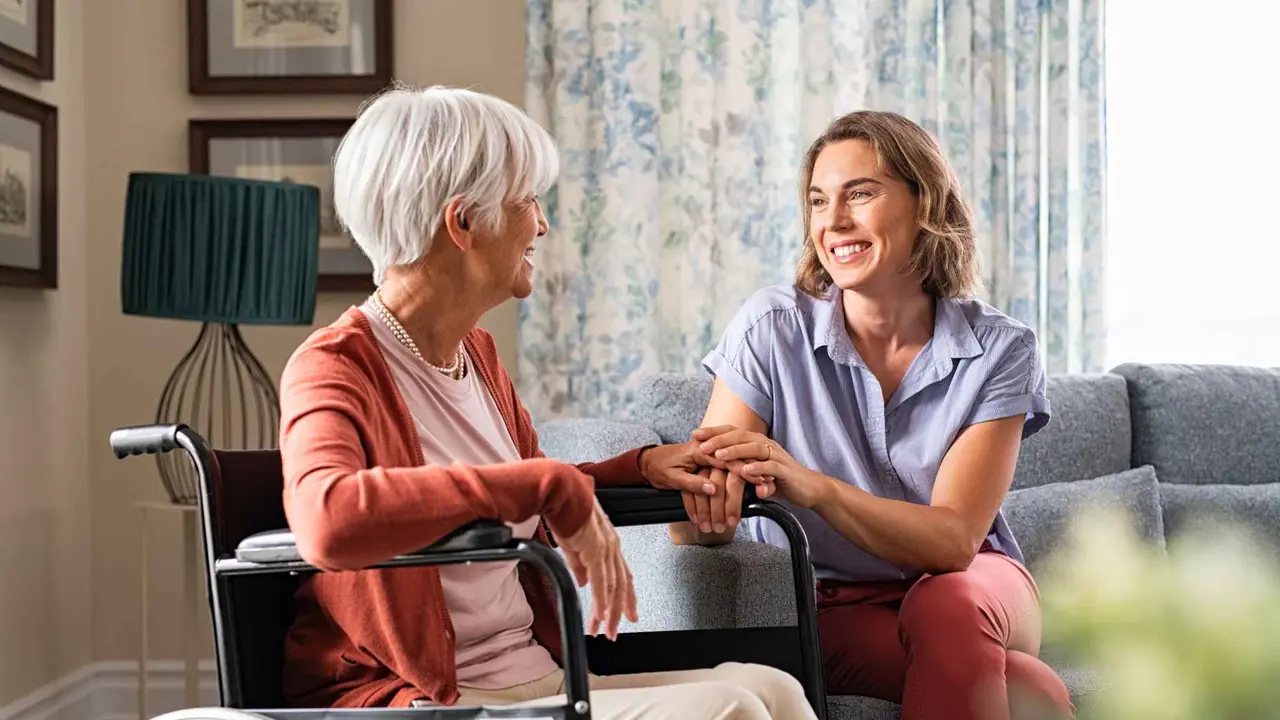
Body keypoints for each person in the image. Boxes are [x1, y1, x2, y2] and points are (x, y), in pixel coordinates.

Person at [276, 84, 817, 720]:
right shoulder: (336, 366)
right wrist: (543, 484)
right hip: (421, 696)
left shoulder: (473, 356)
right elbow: (327, 521)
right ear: (464, 223)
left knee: (771, 685)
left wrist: (638, 468)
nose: (543, 222)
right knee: (732, 711)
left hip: (529, 679)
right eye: (527, 201)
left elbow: (523, 490)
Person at [673, 111, 1076, 720]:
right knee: (1028, 688)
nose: (833, 222)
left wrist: (816, 490)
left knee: (948, 604)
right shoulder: (770, 330)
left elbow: (953, 542)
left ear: (925, 204)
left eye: (860, 194)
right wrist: (708, 502)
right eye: (817, 201)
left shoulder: (1000, 348)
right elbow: (697, 523)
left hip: (978, 586)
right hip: (834, 604)